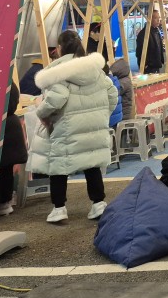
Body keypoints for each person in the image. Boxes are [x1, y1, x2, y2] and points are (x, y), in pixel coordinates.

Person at [28, 29, 118, 223]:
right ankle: (98, 204)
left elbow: (55, 99)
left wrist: (40, 112)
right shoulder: (95, 69)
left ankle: (59, 208)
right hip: (93, 125)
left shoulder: (59, 72)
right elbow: (112, 94)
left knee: (59, 166)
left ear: (60, 49)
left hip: (65, 126)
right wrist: (102, 115)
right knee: (92, 163)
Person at [0, 82, 28, 222]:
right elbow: (14, 98)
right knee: (5, 169)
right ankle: (4, 203)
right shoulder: (6, 78)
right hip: (10, 126)